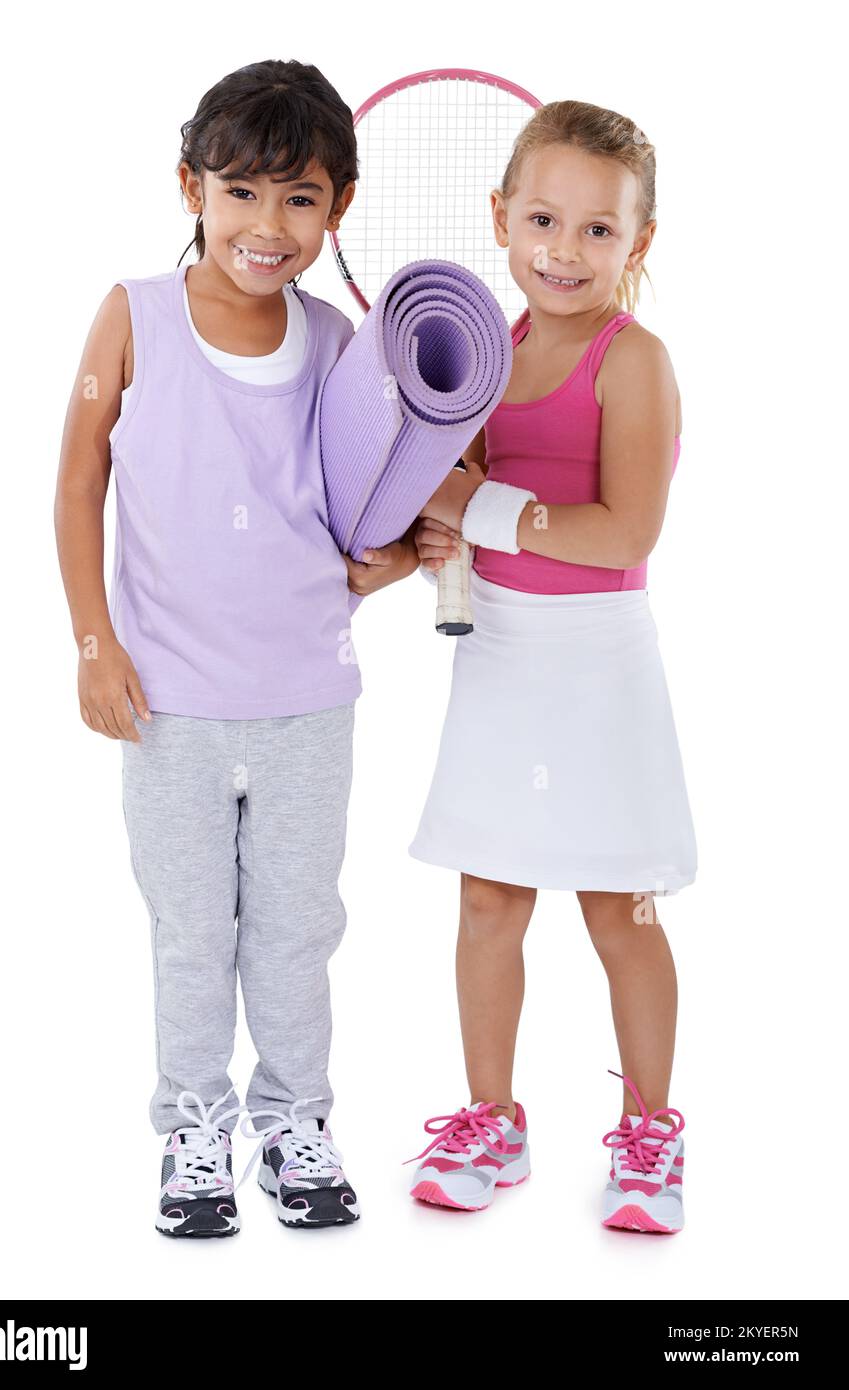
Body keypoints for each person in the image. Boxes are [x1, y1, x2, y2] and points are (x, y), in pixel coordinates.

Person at [54, 59, 418, 1237]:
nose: (269, 226)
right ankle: (195, 1130)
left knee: (299, 923)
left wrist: (398, 559)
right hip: (171, 704)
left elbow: (375, 504)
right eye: (242, 193)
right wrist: (93, 643)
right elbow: (76, 480)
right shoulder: (133, 314)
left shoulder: (333, 342)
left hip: (309, 697)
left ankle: (294, 1121)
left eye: (301, 199)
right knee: (189, 926)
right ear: (190, 187)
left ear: (338, 209)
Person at [408, 99, 696, 1234]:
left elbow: (622, 532)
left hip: (599, 667)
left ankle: (650, 1133)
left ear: (639, 244)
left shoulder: (638, 363)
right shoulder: (490, 355)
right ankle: (493, 1120)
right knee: (488, 898)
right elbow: (455, 506)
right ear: (499, 218)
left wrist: (473, 504)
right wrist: (440, 529)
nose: (562, 252)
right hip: (501, 658)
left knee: (619, 911)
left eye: (596, 231)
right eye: (540, 220)